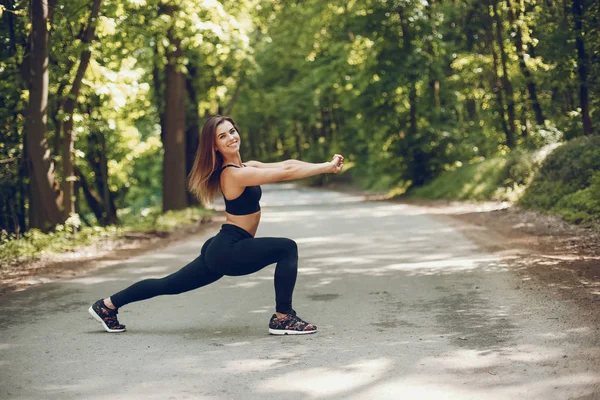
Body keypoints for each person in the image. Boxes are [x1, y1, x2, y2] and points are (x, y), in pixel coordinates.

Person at [89, 115, 344, 335]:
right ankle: (283, 317)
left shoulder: (247, 166)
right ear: (215, 145)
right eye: (223, 136)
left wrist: (326, 166)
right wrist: (326, 167)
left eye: (232, 131)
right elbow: (287, 173)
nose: (231, 137)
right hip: (228, 248)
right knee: (287, 248)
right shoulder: (232, 174)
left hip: (225, 245)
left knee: (169, 284)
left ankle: (108, 305)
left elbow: (289, 164)